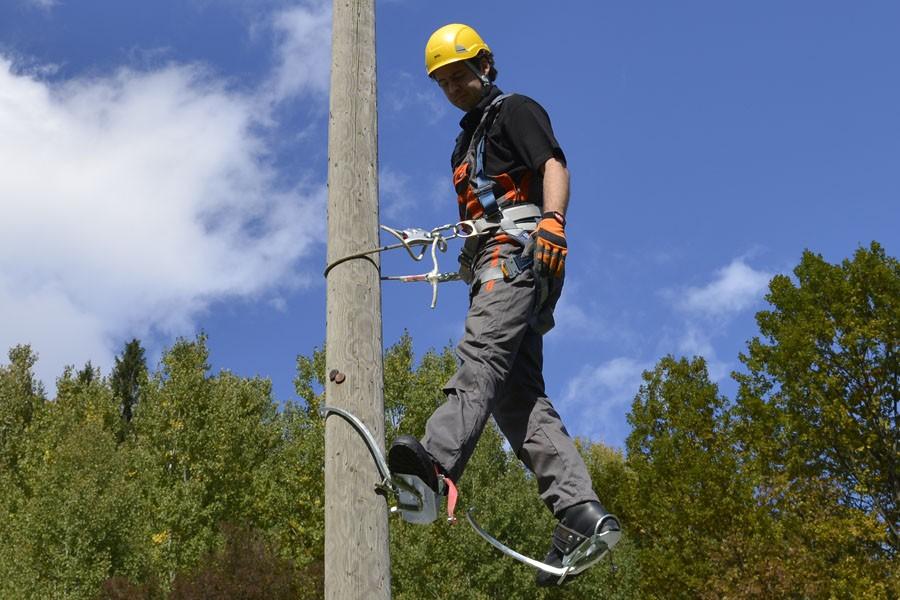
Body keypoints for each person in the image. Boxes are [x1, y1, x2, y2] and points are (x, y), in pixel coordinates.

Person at [387, 23, 620, 587]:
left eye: (460, 74)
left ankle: (437, 466)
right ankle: (578, 512)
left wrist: (554, 222)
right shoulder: (464, 143)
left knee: (482, 357)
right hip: (501, 259)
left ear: (485, 65)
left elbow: (553, 166)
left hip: (517, 254)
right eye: (443, 81)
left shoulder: (515, 110)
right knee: (518, 400)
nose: (454, 87)